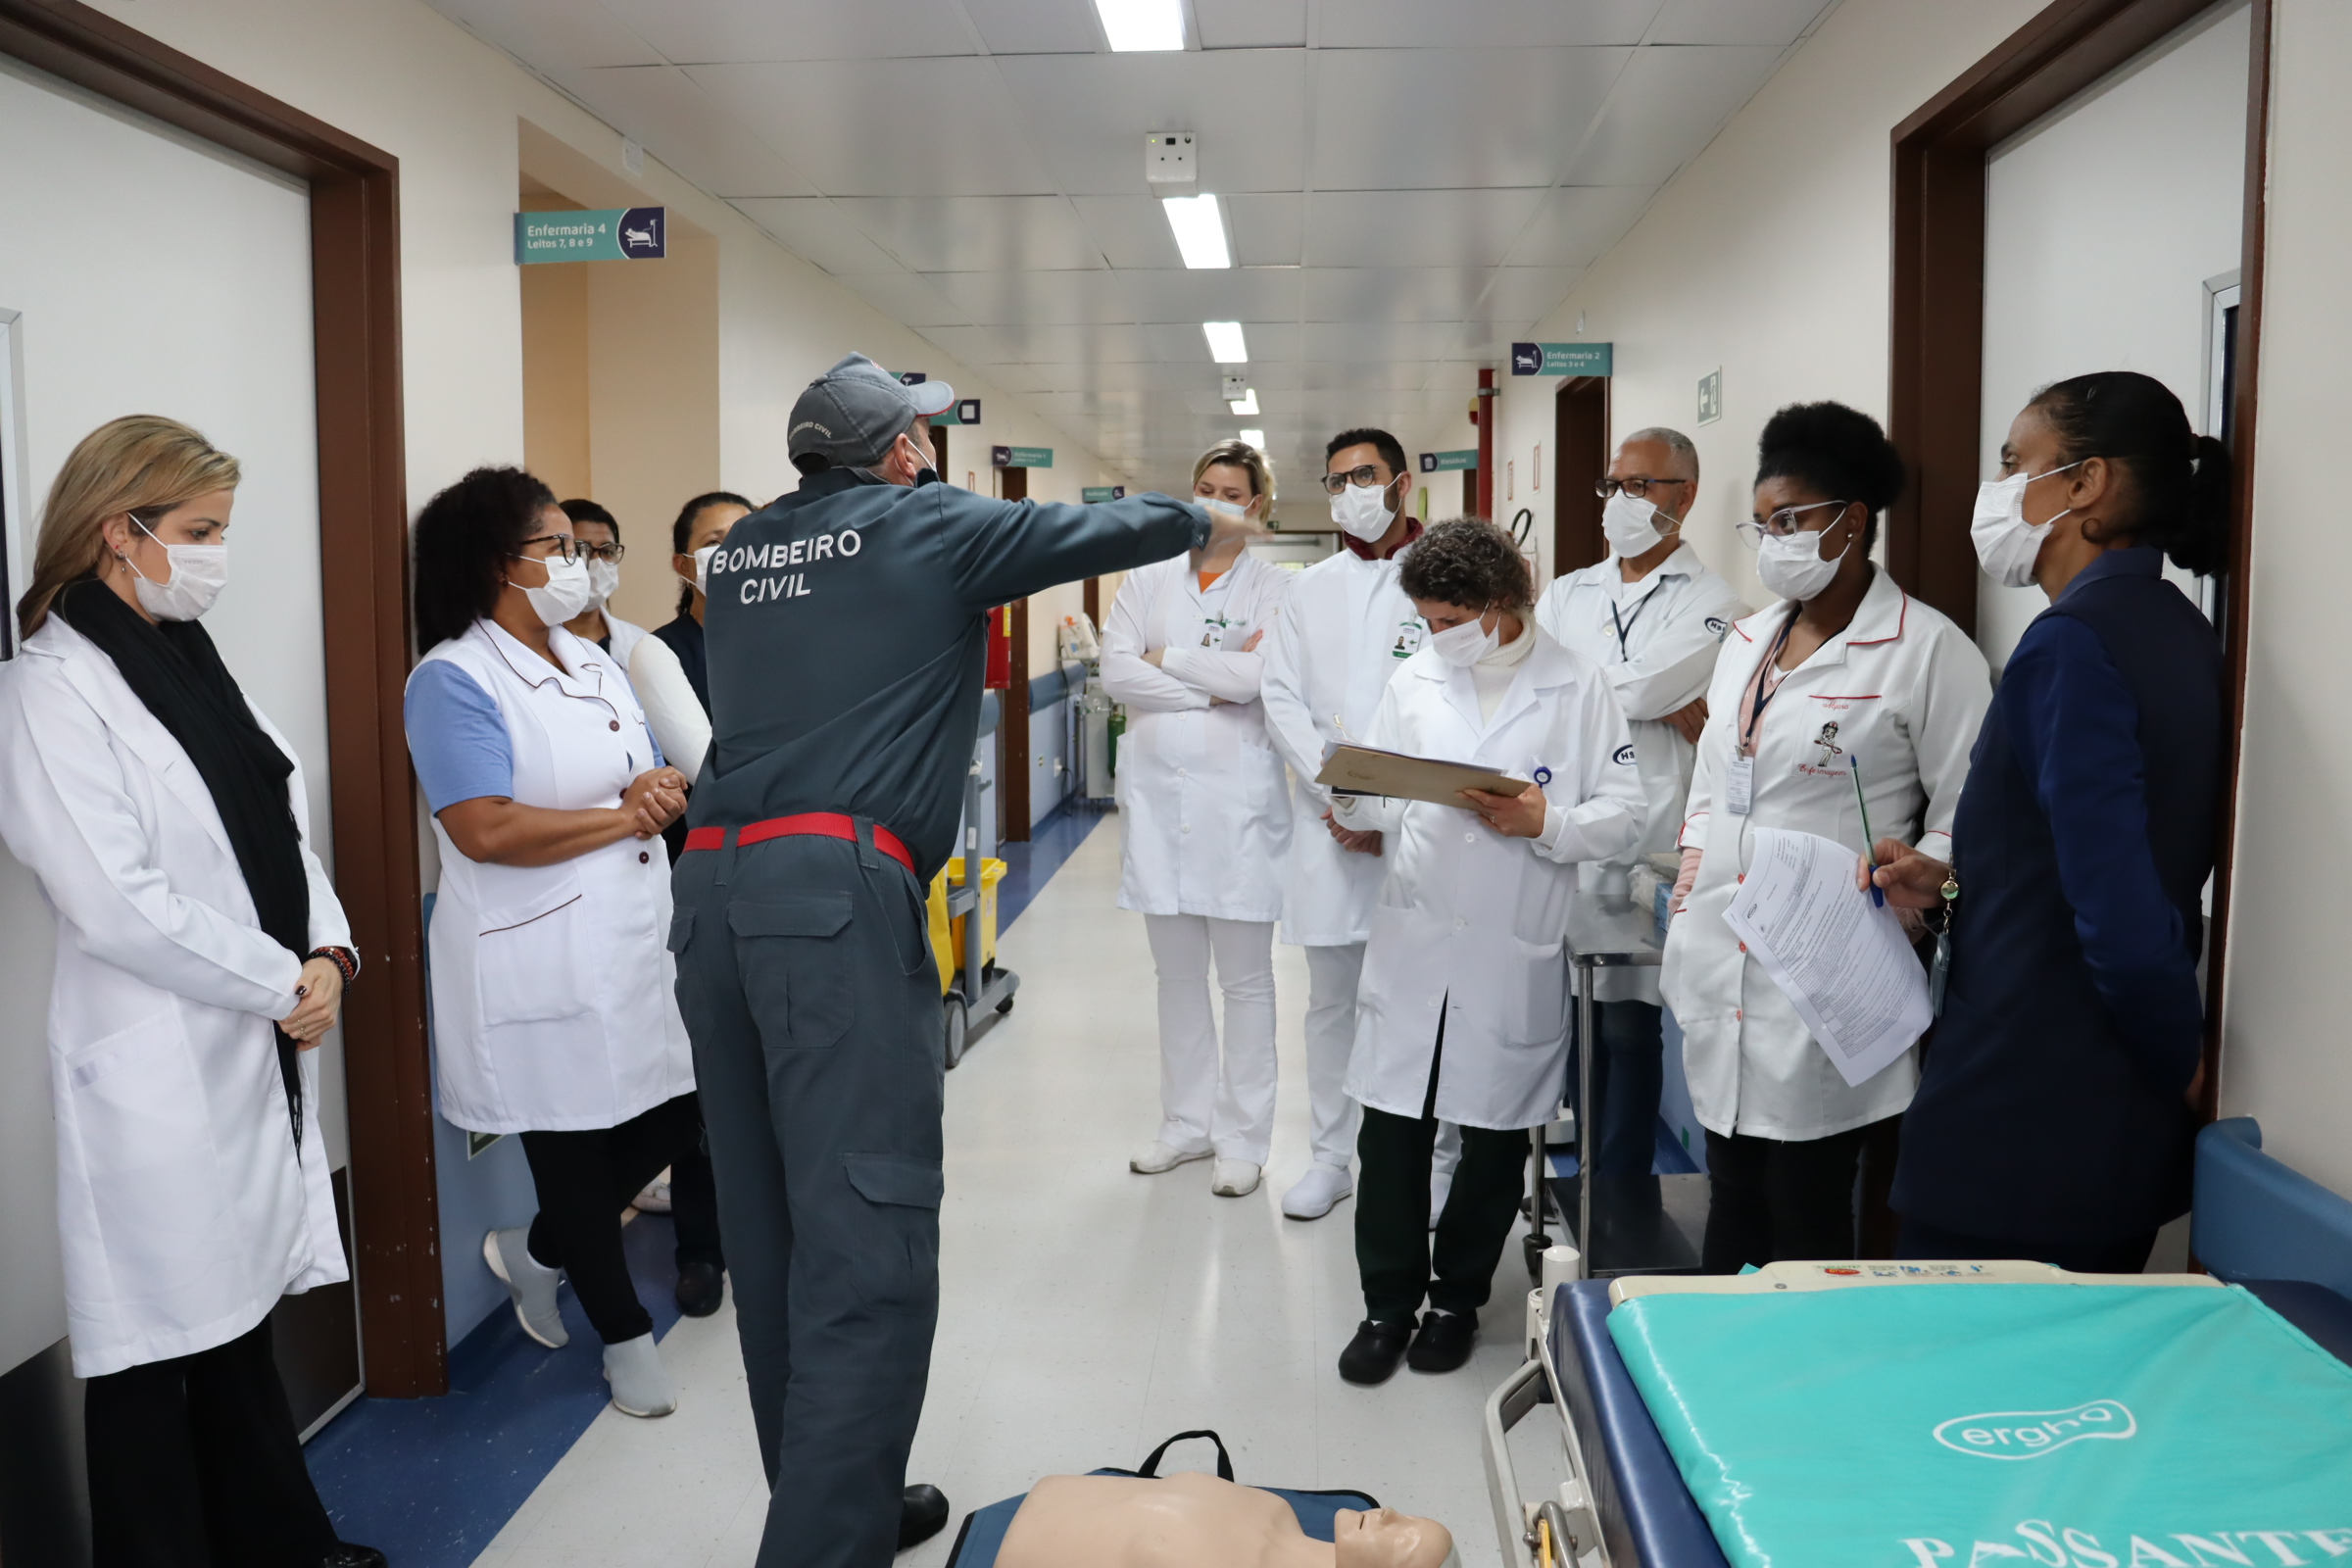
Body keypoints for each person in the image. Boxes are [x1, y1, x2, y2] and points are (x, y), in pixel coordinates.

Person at [666, 353, 1249, 1567]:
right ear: (898, 451)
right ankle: (824, 1549)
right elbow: (1079, 532)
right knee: (867, 1234)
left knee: (770, 1227)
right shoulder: (920, 522)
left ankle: (840, 1502)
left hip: (712, 890)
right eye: (918, 436)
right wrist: (1204, 513)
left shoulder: (745, 553)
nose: (928, 450)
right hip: (829, 901)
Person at [0, 416, 383, 1568]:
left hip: (252, 1037)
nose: (217, 553)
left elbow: (276, 822)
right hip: (159, 1056)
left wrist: (332, 955)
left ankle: (283, 1543)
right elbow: (115, 899)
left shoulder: (191, 667)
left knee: (231, 1327)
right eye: (200, 530)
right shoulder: (50, 690)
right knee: (154, 1354)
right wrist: (282, 979)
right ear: (120, 532)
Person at [1870, 372, 2229, 1273]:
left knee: (1964, 1394)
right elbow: (2077, 858)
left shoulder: (2073, 643)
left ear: (2084, 484)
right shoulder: (2177, 629)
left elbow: (2117, 908)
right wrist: (1950, 883)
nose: (1993, 492)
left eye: (2012, 464)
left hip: (2029, 1116)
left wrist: (2179, 1058)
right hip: (2097, 1126)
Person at [1661, 403, 1990, 1272]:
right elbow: (1711, 774)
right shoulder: (1746, 640)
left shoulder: (1927, 651)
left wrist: (1932, 879)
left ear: (1853, 520)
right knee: (1729, 1179)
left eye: (1792, 521)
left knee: (1806, 1200)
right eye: (1763, 524)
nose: (1774, 542)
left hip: (1829, 964)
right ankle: (1718, 1369)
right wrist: (1695, 858)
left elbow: (1974, 808)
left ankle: (1799, 1388)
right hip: (1723, 944)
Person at [403, 466, 701, 1419]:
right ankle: (621, 1338)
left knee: (681, 1108)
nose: (575, 563)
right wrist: (622, 818)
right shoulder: (453, 677)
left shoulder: (597, 661)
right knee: (570, 1141)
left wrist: (654, 796)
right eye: (555, 546)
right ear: (499, 563)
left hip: (635, 936)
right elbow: (482, 825)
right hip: (533, 953)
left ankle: (537, 1251)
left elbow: (645, 775)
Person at [1330, 518, 1644, 1385]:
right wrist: (1354, 802)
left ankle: (1455, 1302)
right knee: (1391, 1134)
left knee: (1496, 1140)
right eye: (1426, 624)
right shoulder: (1416, 678)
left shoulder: (1577, 686)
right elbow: (1385, 802)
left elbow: (1627, 812)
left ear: (1499, 606)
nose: (1434, 639)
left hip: (1512, 945)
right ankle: (1386, 1306)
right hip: (1415, 937)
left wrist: (1547, 822)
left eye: (1446, 622)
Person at [1535, 427, 1744, 1182]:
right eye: (1613, 485)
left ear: (1683, 498)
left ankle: (1617, 1188)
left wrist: (1603, 690)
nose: (1621, 501)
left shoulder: (1721, 603)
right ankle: (1580, 1170)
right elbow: (1544, 689)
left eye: (1640, 486)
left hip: (1654, 830)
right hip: (1567, 820)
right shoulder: (1567, 592)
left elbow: (1634, 687)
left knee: (1631, 1023)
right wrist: (1647, 698)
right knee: (1574, 1018)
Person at [1102, 439, 1294, 1200]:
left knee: (1246, 983)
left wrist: (1169, 658)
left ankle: (1245, 1140)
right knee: (1175, 976)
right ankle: (1185, 1126)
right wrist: (1212, 682)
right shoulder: (1146, 577)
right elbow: (1118, 671)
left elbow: (1261, 679)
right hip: (1157, 802)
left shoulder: (1277, 588)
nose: (1219, 499)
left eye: (1234, 491)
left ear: (1256, 504)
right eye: (1206, 486)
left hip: (1238, 808)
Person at [1258, 427, 1427, 1222]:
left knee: (1423, 1000)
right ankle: (1333, 1155)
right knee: (1332, 1002)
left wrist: (1389, 812)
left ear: (1402, 481)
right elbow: (1281, 696)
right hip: (1329, 829)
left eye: (1364, 475)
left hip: (1425, 833)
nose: (1351, 492)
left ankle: (1438, 1160)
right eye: (1335, 481)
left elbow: (1462, 710)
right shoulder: (1309, 588)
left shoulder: (1447, 574)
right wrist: (1342, 801)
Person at [621, 488, 755, 1316]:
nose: (729, 553)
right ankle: (702, 1248)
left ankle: (762, 1231)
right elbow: (696, 774)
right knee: (703, 1077)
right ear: (682, 563)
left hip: (781, 874)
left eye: (745, 539)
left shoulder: (790, 645)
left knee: (766, 1071)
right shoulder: (656, 655)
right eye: (712, 541)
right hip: (692, 879)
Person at [998, 1472, 1452, 1568]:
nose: (1390, 1513)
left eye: (1404, 1541)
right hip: (1056, 1494)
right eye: (1409, 1517)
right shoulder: (1280, 1513)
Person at [557, 497, 649, 666]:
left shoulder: (640, 644)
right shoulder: (532, 643)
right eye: (581, 549)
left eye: (607, 551)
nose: (597, 561)